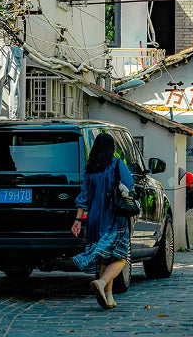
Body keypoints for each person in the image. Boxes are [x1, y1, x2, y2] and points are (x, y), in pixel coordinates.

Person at [71, 133, 135, 310]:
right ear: (111, 148)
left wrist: (77, 220)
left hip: (94, 219)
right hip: (114, 217)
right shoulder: (116, 164)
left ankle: (108, 297)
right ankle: (101, 282)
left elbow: (83, 197)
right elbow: (129, 184)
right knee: (121, 257)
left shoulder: (90, 168)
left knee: (104, 259)